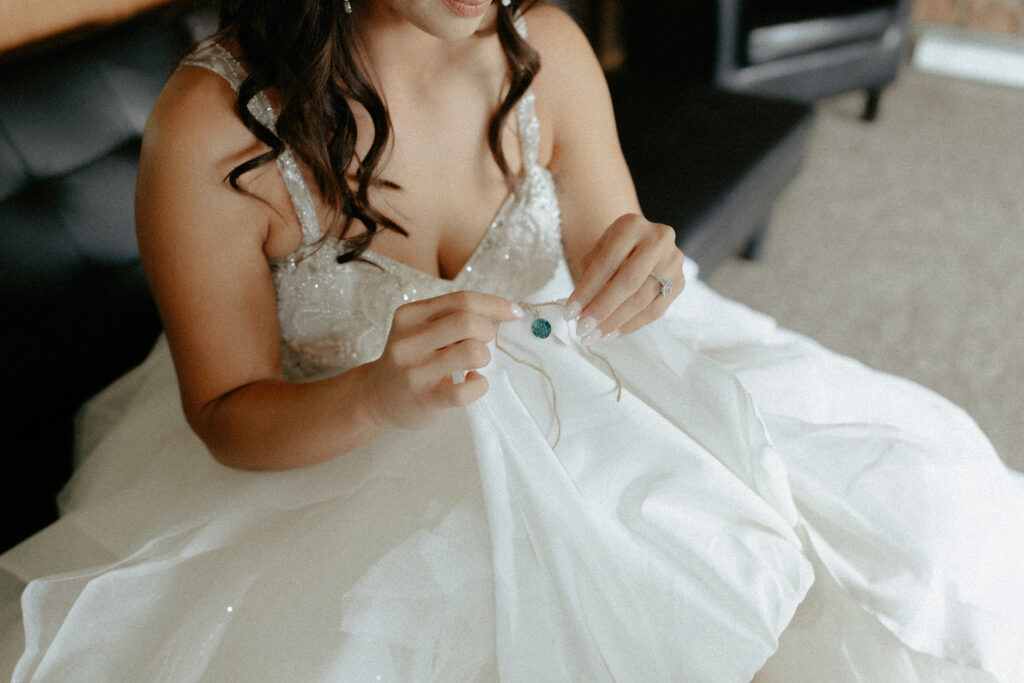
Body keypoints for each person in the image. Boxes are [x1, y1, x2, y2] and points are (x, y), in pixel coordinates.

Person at [1, 0, 1022, 680]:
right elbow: (227, 413)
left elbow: (613, 257)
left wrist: (650, 267)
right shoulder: (213, 123)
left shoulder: (546, 46)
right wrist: (372, 397)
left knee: (899, 515)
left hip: (580, 385)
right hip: (331, 452)